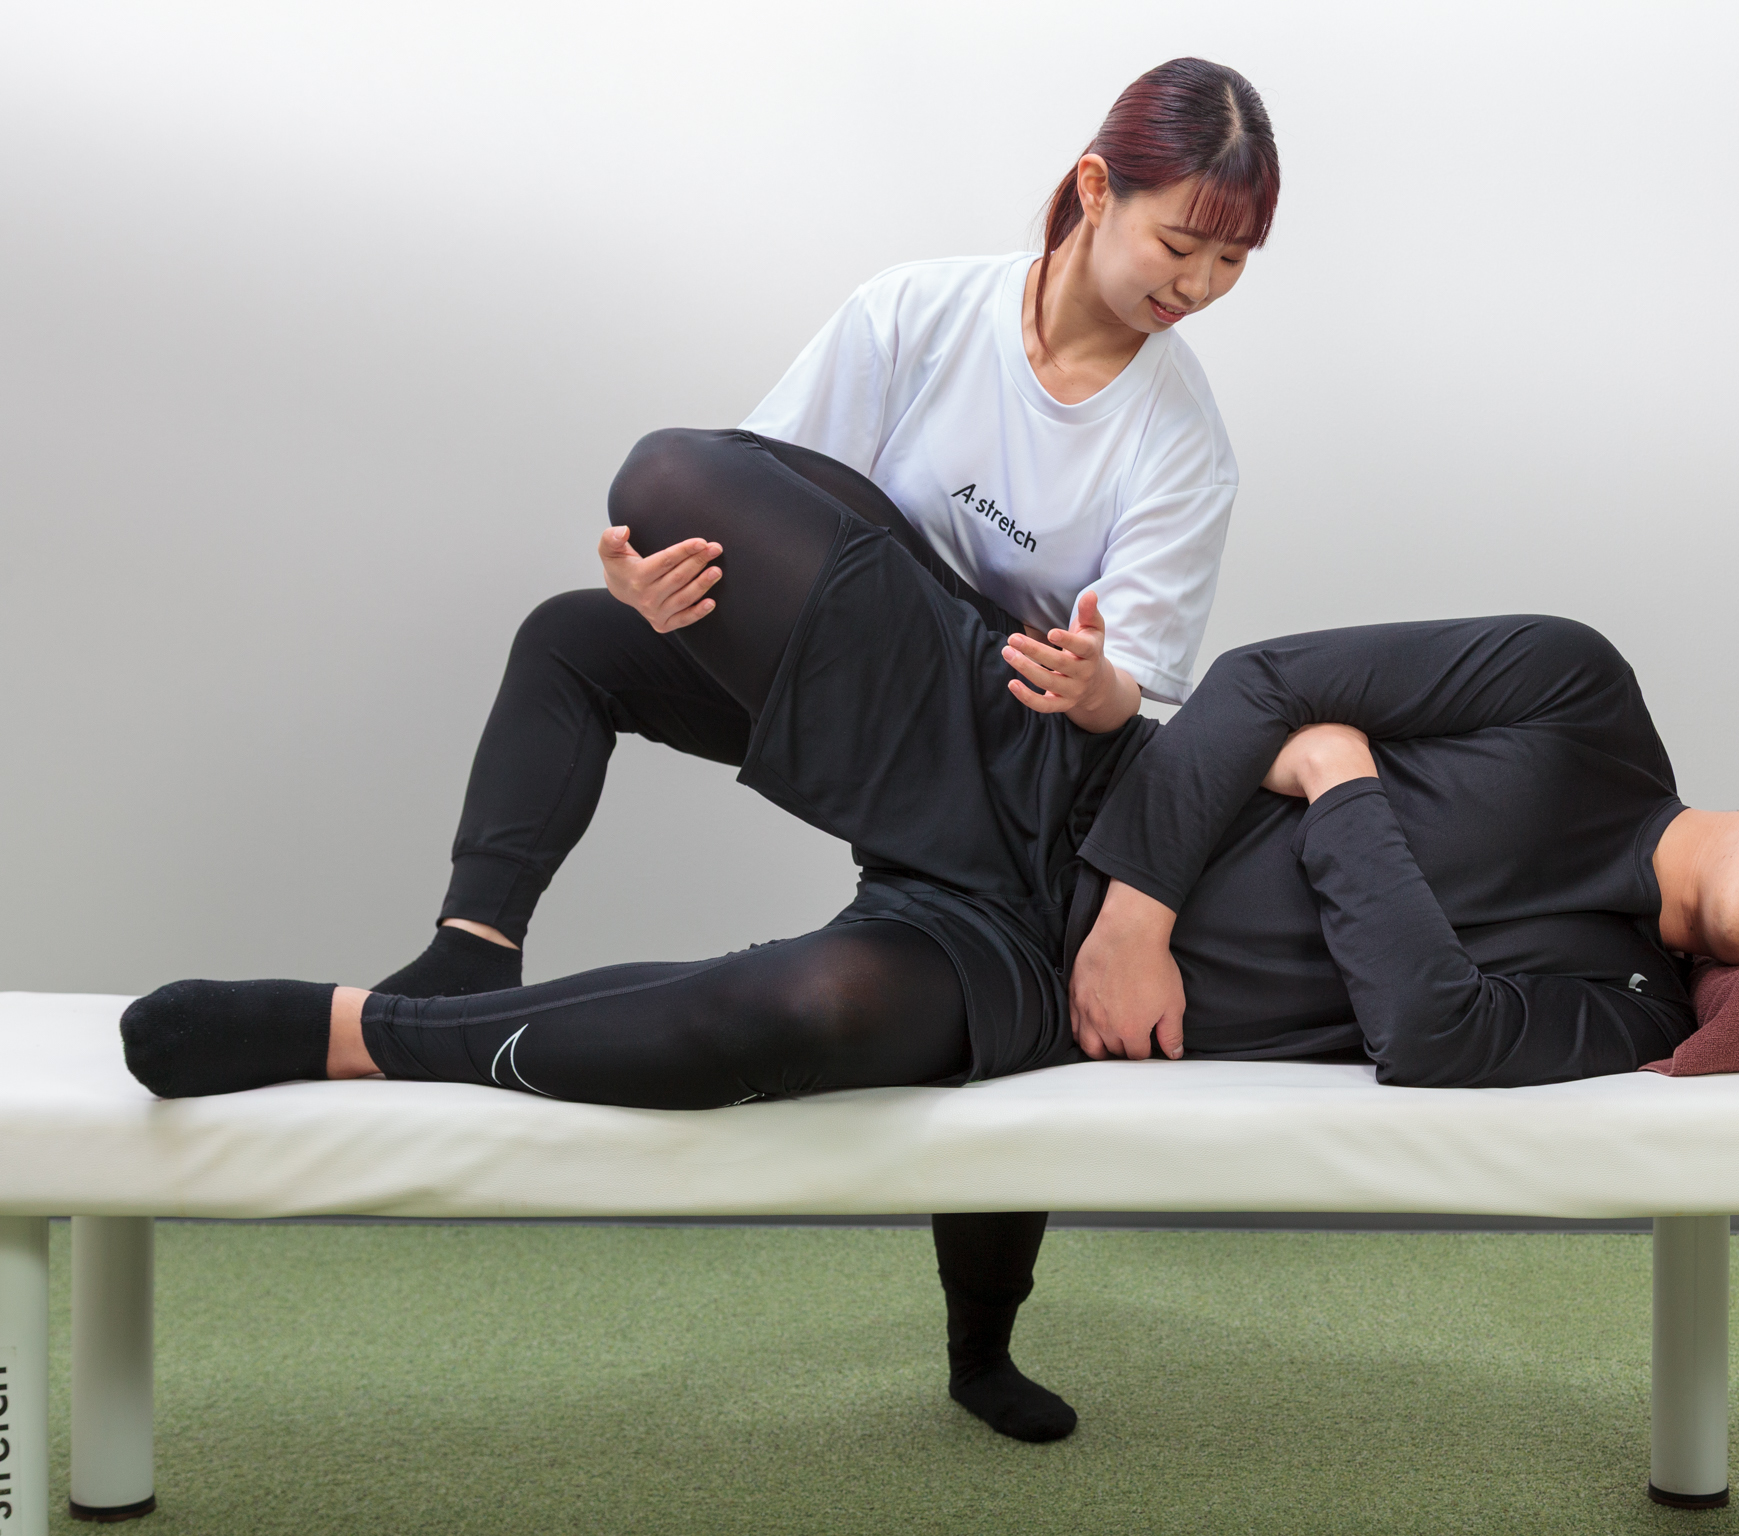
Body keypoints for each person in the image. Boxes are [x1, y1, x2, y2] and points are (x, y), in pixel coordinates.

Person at [124, 429, 1739, 1435]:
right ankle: (482, 928)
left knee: (772, 1021)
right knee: (666, 500)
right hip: (1040, 779)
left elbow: (1431, 1031)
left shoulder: (1629, 1008)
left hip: (1019, 977)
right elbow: (1260, 684)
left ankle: (351, 1029)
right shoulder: (1577, 694)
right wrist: (1146, 911)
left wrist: (1344, 793)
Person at [357, 57, 1280, 1443]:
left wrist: (1094, 683)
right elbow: (774, 496)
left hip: (1004, 748)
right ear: (1096, 189)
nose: (1198, 285)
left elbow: (1131, 706)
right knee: (580, 625)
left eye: (1231, 262)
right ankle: (472, 948)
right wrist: (657, 585)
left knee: (975, 966)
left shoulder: (1181, 440)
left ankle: (980, 1348)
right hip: (857, 678)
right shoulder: (921, 310)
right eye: (1181, 243)